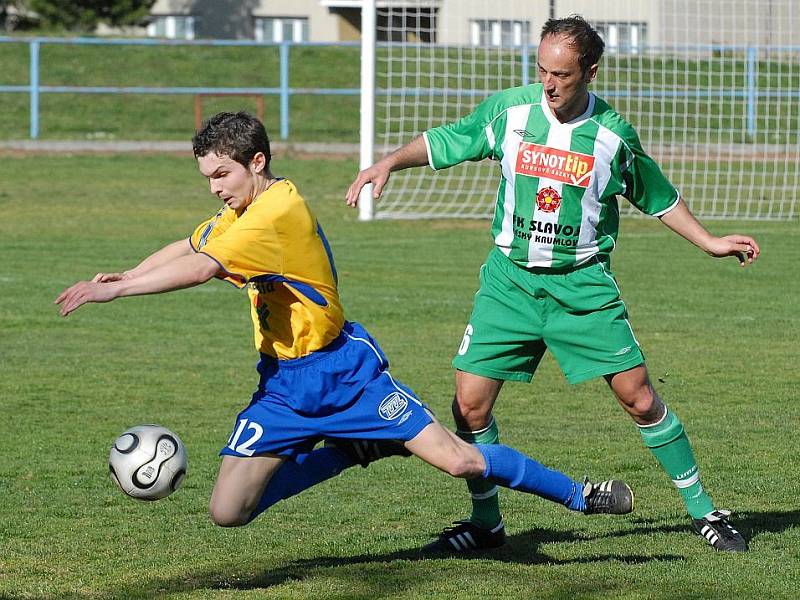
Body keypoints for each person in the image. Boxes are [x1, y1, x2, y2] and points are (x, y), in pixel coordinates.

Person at [55, 111, 634, 541]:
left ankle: (581, 495)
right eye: (208, 177)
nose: (214, 188)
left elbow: (201, 267)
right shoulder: (240, 212)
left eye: (222, 175)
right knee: (227, 511)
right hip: (283, 386)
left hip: (344, 374)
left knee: (458, 459)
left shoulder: (276, 213)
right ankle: (354, 449)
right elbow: (191, 242)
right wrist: (126, 273)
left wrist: (119, 292)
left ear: (257, 162)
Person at [346, 16, 759, 553]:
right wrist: (388, 162)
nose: (548, 83)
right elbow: (451, 138)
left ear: (590, 71)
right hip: (509, 284)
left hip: (581, 286)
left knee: (638, 399)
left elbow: (657, 196)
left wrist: (709, 241)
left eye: (561, 74)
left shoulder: (613, 136)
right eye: (541, 69)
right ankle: (487, 523)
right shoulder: (511, 112)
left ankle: (706, 510)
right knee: (469, 407)